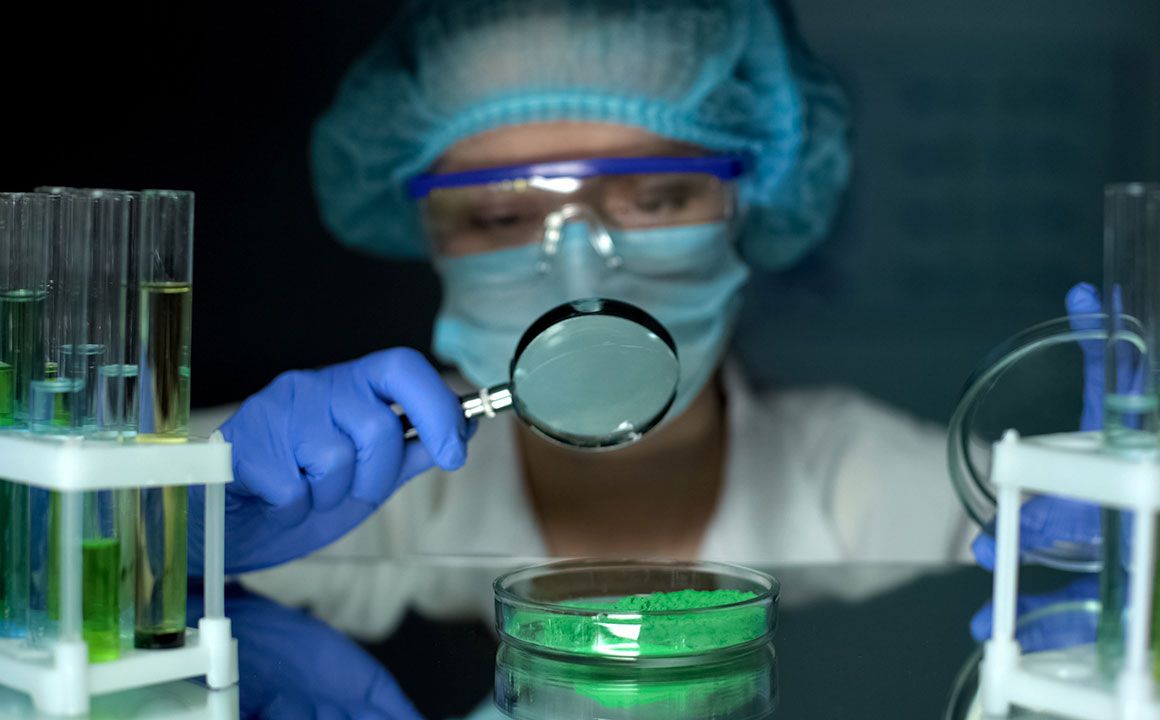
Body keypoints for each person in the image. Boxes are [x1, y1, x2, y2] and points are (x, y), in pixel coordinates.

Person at [189, 0, 1098, 602]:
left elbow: (1128, 536)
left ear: (754, 200)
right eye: (502, 212)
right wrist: (175, 514)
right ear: (428, 233)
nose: (584, 275)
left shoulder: (863, 478)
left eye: (656, 198)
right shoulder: (341, 486)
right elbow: (57, 553)